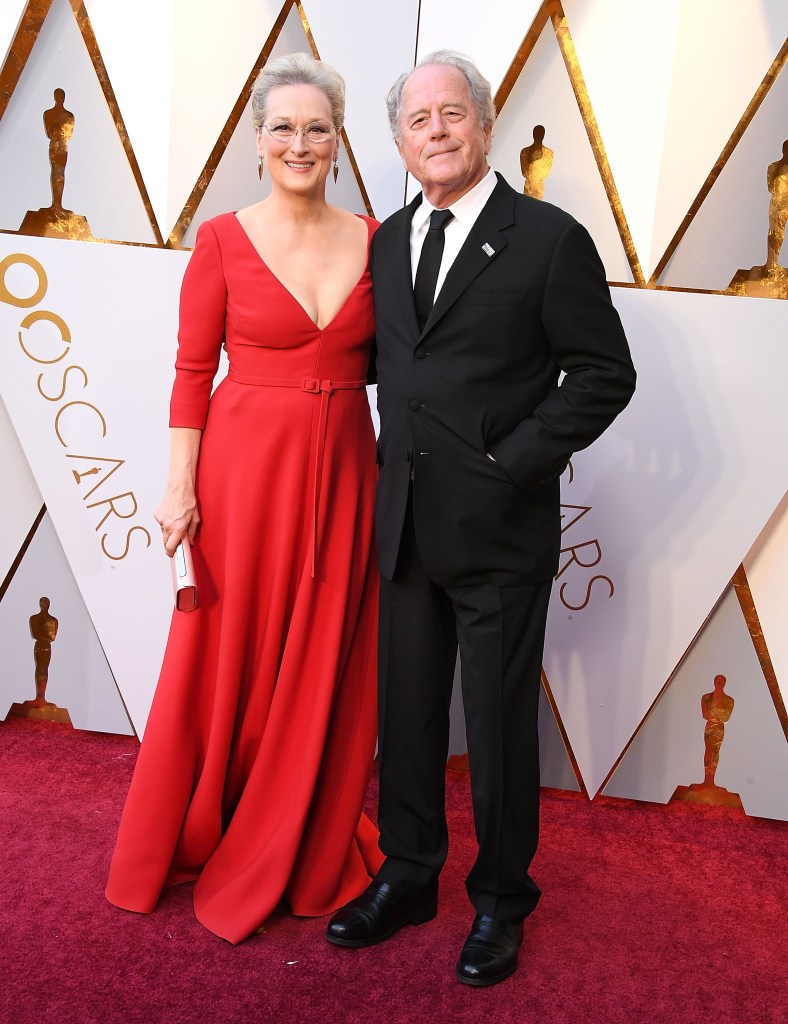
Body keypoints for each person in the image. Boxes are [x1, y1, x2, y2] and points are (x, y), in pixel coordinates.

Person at [326, 51, 636, 986]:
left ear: (487, 124)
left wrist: (514, 462)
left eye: (451, 113)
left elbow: (604, 373)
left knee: (497, 724)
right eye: (417, 121)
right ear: (398, 143)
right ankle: (410, 873)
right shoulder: (386, 241)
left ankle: (501, 899)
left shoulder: (548, 238)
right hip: (404, 523)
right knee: (408, 713)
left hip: (500, 528)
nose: (436, 132)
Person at [106, 52, 383, 943]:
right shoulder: (222, 238)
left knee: (325, 651)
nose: (299, 143)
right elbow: (192, 371)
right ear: (258, 141)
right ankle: (210, 820)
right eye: (283, 127)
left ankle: (299, 829)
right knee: (227, 654)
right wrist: (178, 488)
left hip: (346, 474)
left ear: (337, 141)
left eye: (316, 128)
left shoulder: (378, 237)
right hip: (241, 475)